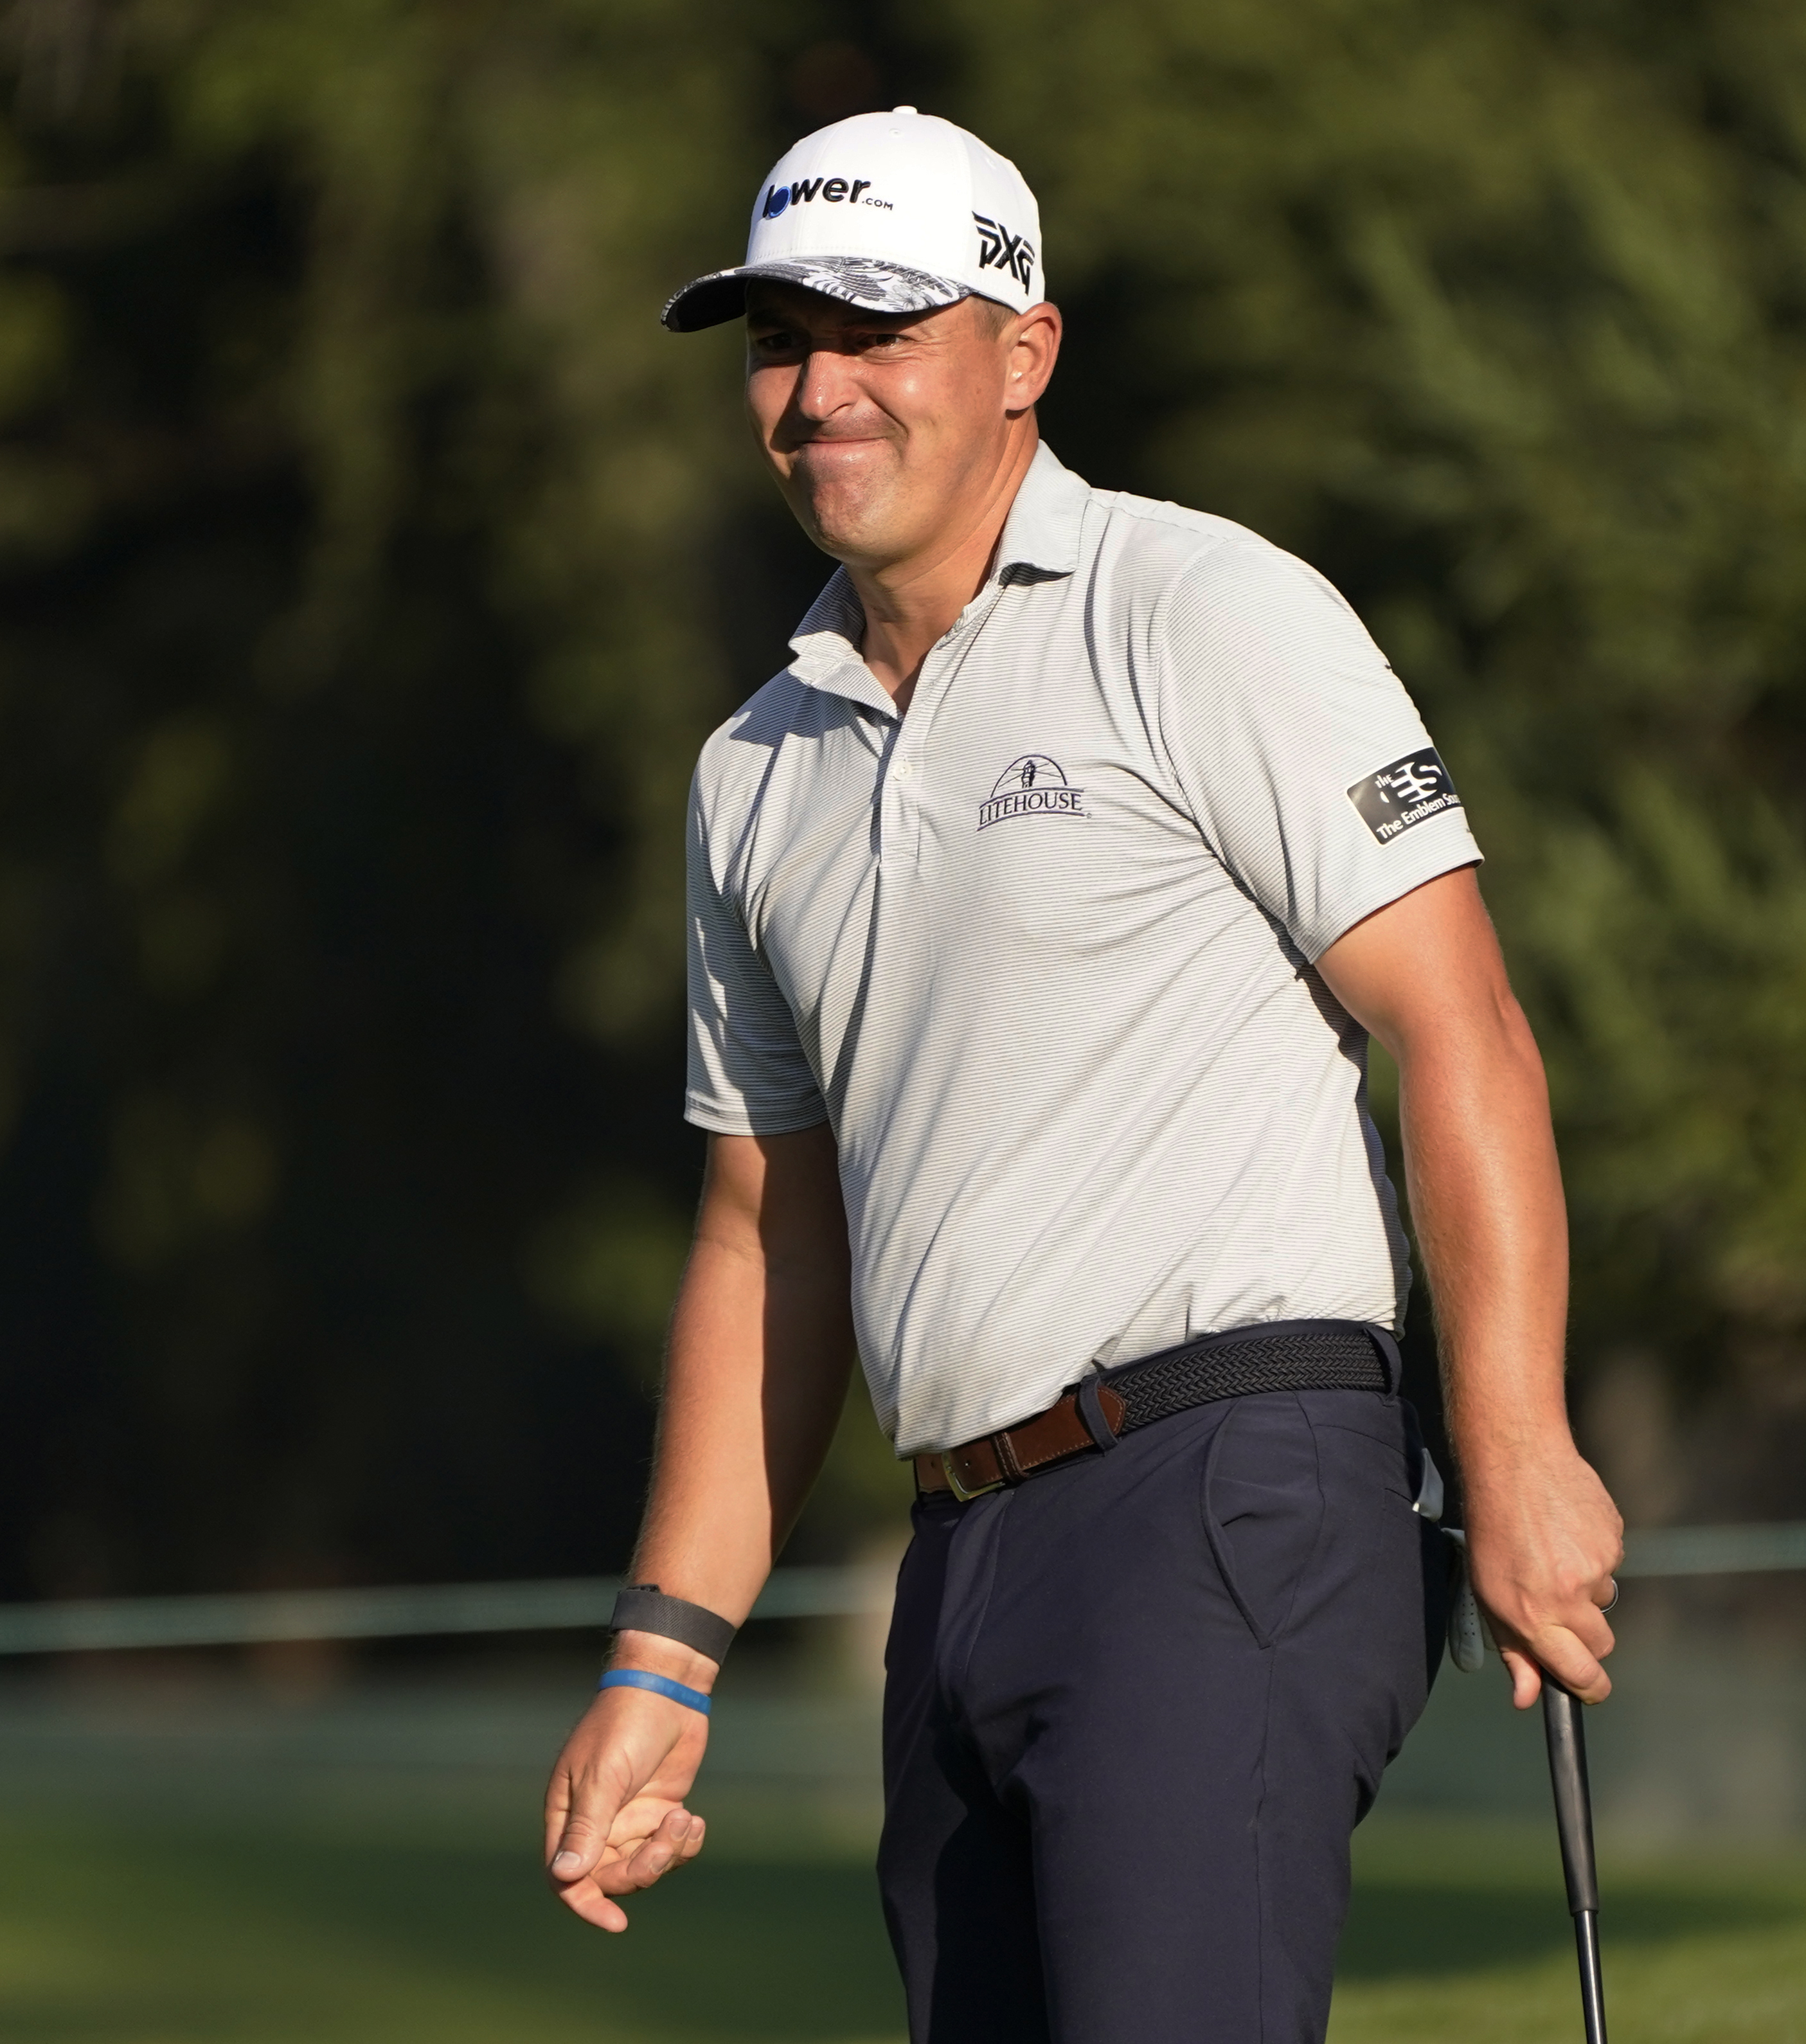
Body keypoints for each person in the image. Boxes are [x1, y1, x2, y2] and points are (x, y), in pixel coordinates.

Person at [541, 106, 1624, 2044]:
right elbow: (767, 1231)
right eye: (780, 340)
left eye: (875, 330)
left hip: (1229, 1479)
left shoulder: (1198, 613)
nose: (814, 393)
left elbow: (1460, 1020)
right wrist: (668, 1653)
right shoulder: (751, 771)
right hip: (961, 1555)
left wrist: (1521, 1441)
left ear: (1021, 350)